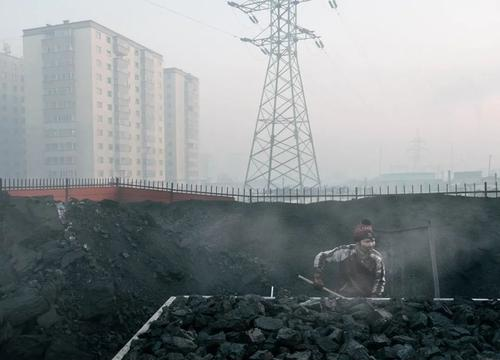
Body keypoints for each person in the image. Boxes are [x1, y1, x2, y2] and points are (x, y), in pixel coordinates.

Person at [313, 219, 385, 297]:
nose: (371, 244)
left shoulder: (377, 258)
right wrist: (317, 277)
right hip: (340, 296)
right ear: (358, 243)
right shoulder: (345, 251)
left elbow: (380, 281)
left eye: (373, 241)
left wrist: (374, 297)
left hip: (364, 300)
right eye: (367, 242)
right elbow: (322, 256)